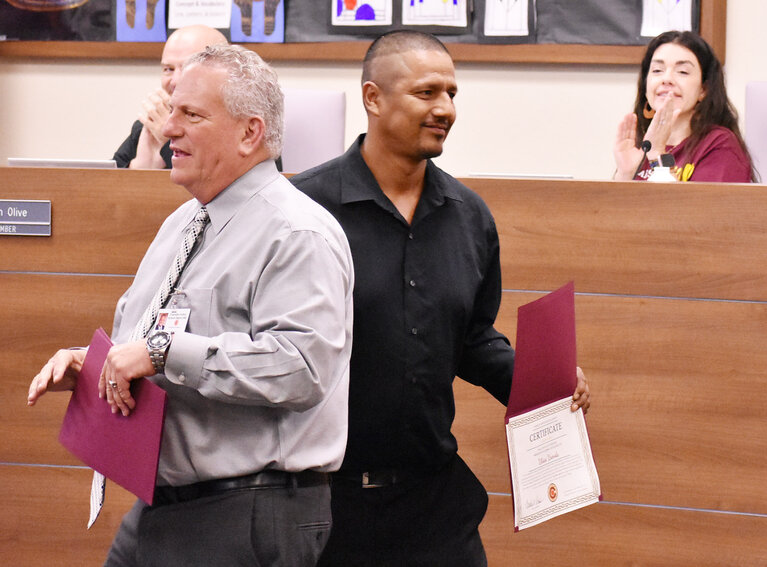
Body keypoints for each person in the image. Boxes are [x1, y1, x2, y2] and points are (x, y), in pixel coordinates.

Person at [29, 44, 354, 567]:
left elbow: (301, 367)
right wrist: (92, 367)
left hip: (247, 511)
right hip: (163, 505)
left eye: (191, 115)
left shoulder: (297, 232)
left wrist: (162, 352)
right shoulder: (182, 224)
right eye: (171, 108)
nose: (168, 128)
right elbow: (147, 343)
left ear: (250, 133)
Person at [291, 30, 590, 566]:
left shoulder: (469, 216)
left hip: (435, 507)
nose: (446, 108)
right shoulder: (304, 211)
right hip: (325, 511)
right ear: (373, 98)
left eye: (452, 94)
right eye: (427, 93)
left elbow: (472, 338)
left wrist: (542, 383)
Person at [613, 30, 756, 183]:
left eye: (682, 72)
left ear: (703, 89)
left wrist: (658, 156)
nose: (667, 79)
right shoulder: (640, 146)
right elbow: (612, 207)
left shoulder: (719, 145)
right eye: (657, 70)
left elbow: (690, 206)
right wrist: (625, 175)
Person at [112, 24, 227, 170]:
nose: (175, 81)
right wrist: (137, 167)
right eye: (168, 69)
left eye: (187, 68)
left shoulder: (232, 129)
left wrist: (169, 139)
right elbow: (103, 185)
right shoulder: (149, 126)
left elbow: (209, 187)